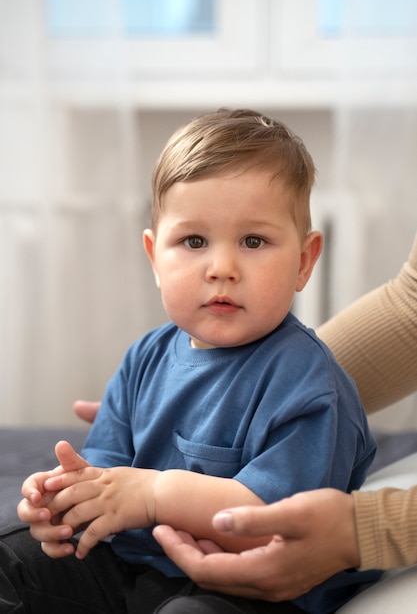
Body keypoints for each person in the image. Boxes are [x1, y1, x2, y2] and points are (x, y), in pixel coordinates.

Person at [5, 108, 381, 614]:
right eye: (194, 241)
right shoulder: (145, 357)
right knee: (13, 555)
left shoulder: (308, 383)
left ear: (304, 261)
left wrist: (155, 494)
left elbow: (275, 519)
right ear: (155, 257)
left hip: (248, 587)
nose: (221, 268)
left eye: (253, 241)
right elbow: (107, 469)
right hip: (134, 566)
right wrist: (65, 498)